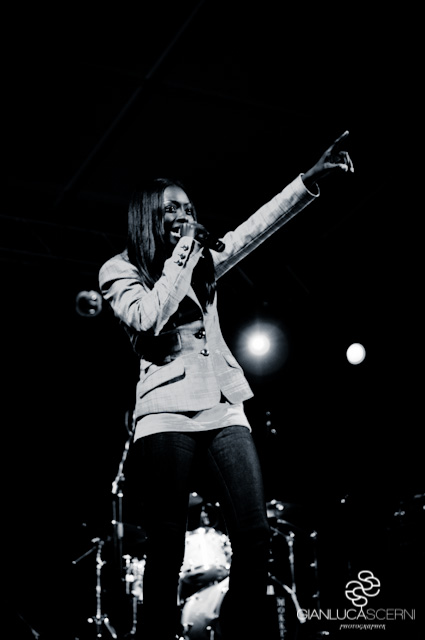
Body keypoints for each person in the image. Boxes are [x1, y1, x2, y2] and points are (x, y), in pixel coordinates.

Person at [99, 131, 354, 639]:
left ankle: (239, 634)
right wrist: (183, 253)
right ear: (149, 215)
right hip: (165, 413)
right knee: (167, 544)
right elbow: (149, 317)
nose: (184, 215)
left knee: (256, 535)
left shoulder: (203, 259)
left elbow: (255, 229)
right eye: (172, 208)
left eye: (188, 207)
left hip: (222, 404)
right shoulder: (119, 270)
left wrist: (308, 180)